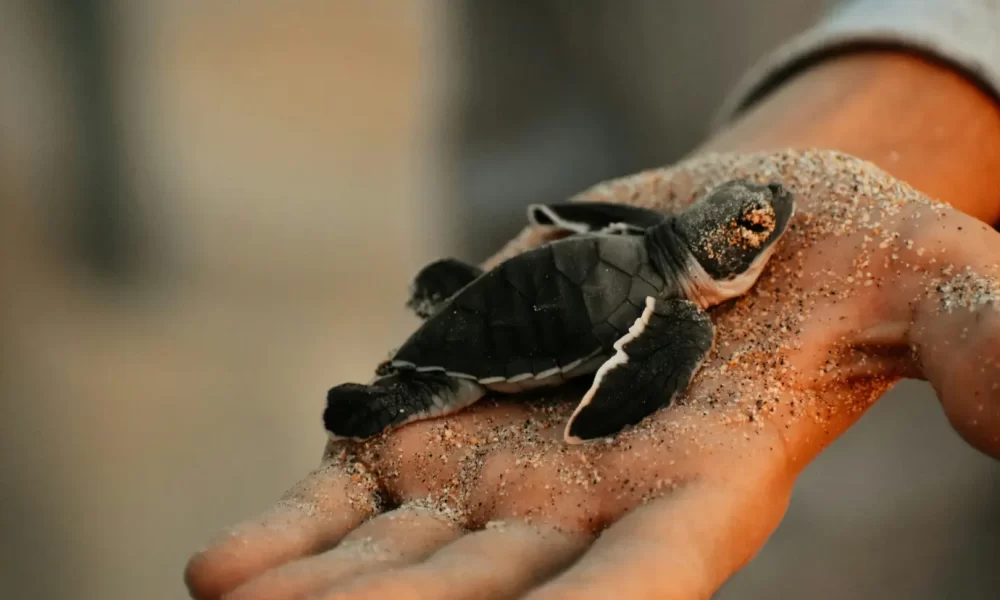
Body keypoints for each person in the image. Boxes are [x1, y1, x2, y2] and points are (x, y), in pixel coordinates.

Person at [184, 1, 1000, 598]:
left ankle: (443, 315)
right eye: (753, 216)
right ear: (714, 245)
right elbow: (564, 219)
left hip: (878, 538)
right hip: (550, 218)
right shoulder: (676, 318)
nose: (770, 218)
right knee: (450, 382)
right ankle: (394, 391)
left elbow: (574, 221)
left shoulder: (650, 245)